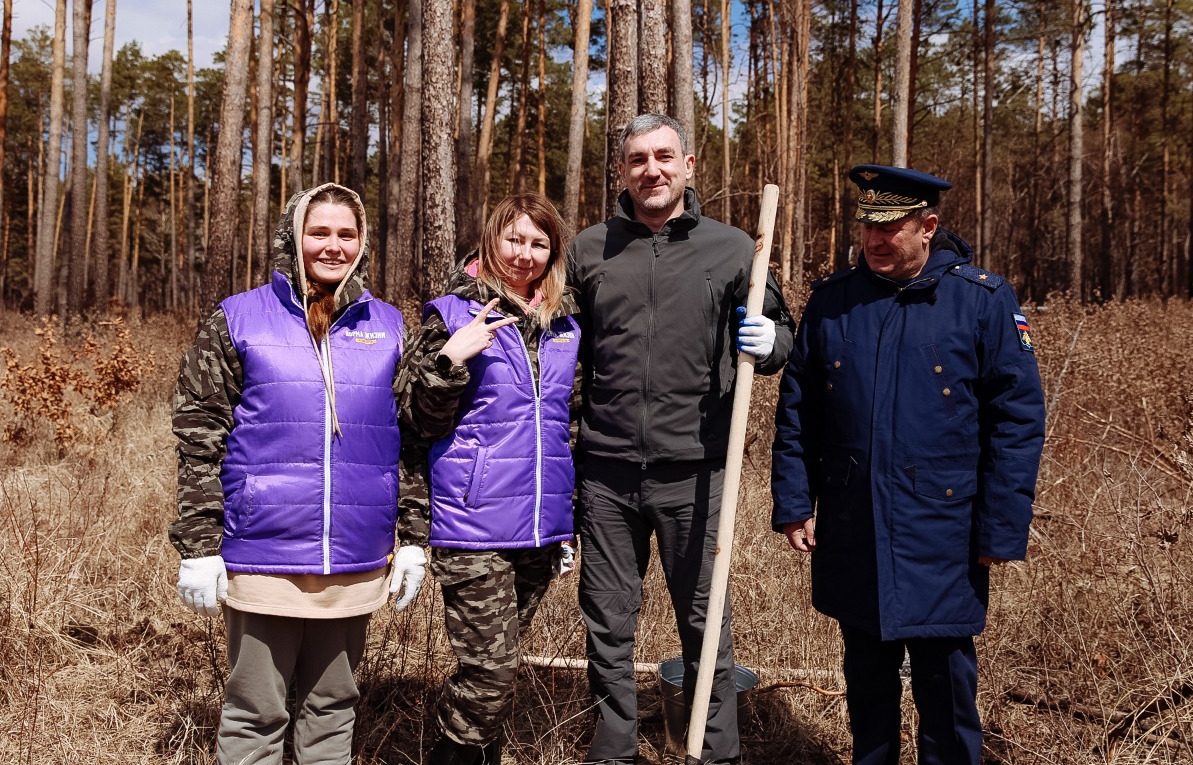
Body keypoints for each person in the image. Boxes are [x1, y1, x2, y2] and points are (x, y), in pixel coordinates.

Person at [770, 165, 1046, 765]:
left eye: (890, 228)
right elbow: (798, 413)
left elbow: (1017, 423)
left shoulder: (981, 301)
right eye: (867, 227)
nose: (873, 240)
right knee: (867, 687)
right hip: (853, 528)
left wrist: (1000, 528)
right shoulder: (833, 303)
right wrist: (794, 503)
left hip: (943, 534)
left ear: (928, 226)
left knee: (945, 689)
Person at [170, 183, 423, 764]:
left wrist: (412, 540)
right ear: (293, 236)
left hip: (354, 558)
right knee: (257, 711)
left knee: (333, 708)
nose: (333, 246)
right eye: (319, 232)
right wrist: (200, 544)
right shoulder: (240, 317)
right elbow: (199, 431)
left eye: (346, 234)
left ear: (361, 243)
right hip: (264, 553)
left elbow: (409, 440)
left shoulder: (387, 325)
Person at [569, 113, 794, 765]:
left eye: (664, 156)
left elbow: (782, 331)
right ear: (621, 172)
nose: (652, 170)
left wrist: (769, 339)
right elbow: (557, 348)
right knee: (607, 623)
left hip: (696, 474)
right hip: (606, 475)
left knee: (705, 625)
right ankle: (613, 750)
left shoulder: (732, 250)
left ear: (689, 166)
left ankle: (714, 752)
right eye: (637, 159)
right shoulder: (589, 250)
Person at [394, 193, 581, 765]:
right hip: (470, 524)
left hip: (539, 529)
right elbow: (412, 420)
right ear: (491, 241)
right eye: (514, 239)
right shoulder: (450, 314)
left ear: (553, 253)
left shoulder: (564, 324)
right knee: (491, 674)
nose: (525, 254)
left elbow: (566, 425)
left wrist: (567, 518)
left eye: (538, 244)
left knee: (496, 673)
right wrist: (452, 360)